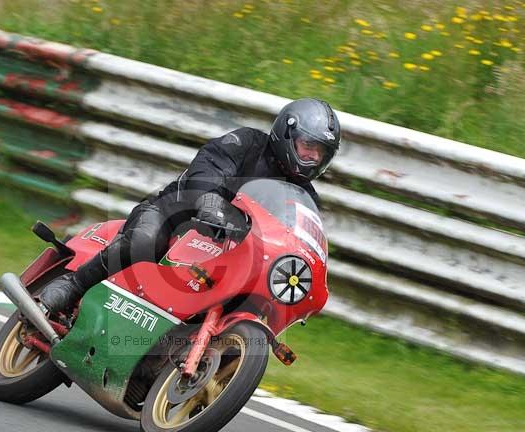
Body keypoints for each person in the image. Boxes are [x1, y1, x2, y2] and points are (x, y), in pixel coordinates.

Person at [38, 97, 341, 315]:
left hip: (229, 253)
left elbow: (297, 238)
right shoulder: (248, 143)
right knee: (145, 240)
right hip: (177, 218)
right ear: (287, 133)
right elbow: (208, 165)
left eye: (320, 154)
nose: (313, 158)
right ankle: (73, 285)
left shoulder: (305, 196)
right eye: (308, 147)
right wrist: (210, 201)